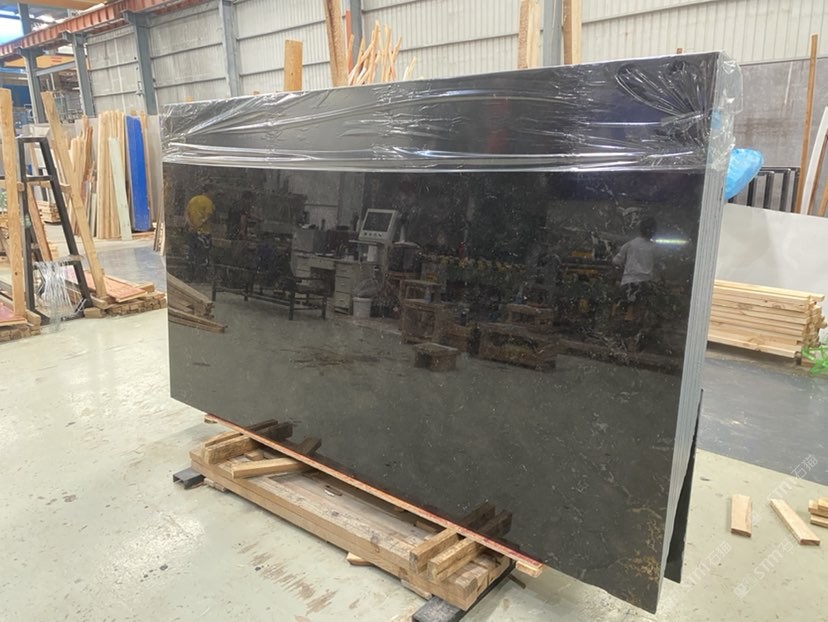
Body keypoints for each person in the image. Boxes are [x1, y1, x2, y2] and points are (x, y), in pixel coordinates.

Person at [185, 188, 215, 281]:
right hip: (204, 233)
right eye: (213, 191)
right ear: (208, 191)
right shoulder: (208, 202)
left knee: (192, 253)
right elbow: (207, 217)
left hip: (192, 232)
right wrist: (198, 226)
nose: (213, 194)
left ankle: (190, 276)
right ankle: (200, 277)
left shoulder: (193, 199)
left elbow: (186, 214)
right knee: (203, 255)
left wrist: (191, 225)